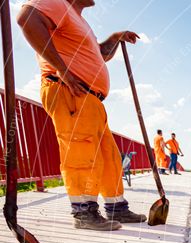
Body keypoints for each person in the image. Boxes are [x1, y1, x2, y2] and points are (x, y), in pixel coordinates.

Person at [17, 0, 146, 231]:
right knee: (80, 151)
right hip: (70, 91)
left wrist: (116, 37)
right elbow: (27, 19)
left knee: (108, 156)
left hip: (90, 99)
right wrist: (63, 69)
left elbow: (100, 54)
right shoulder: (56, 3)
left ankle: (117, 206)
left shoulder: (76, 18)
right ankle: (83, 211)